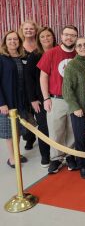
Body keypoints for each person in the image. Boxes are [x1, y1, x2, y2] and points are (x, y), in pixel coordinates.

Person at [38, 25, 78, 174]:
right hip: (56, 99)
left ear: (76, 37)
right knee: (56, 130)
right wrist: (46, 98)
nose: (69, 38)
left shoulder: (78, 53)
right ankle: (56, 158)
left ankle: (70, 156)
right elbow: (43, 76)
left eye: (73, 35)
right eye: (66, 34)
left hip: (74, 100)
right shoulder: (51, 53)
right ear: (61, 36)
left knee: (73, 130)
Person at [63, 37, 85, 179]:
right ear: (76, 48)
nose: (83, 47)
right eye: (79, 45)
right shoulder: (72, 66)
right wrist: (75, 107)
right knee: (81, 139)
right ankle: (83, 165)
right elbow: (67, 90)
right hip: (79, 110)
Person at [24, 27, 57, 168]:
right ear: (39, 39)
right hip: (40, 99)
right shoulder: (34, 56)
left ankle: (60, 155)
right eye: (42, 37)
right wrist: (33, 99)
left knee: (58, 128)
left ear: (53, 37)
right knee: (44, 127)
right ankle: (45, 156)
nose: (45, 39)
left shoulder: (59, 52)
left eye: (48, 36)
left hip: (58, 97)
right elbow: (28, 79)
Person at [0, 31, 28, 168]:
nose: (13, 41)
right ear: (5, 42)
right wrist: (1, 103)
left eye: (15, 39)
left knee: (18, 129)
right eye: (9, 39)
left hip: (21, 100)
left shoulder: (22, 56)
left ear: (19, 41)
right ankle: (12, 158)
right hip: (8, 101)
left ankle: (17, 153)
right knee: (10, 132)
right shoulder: (1, 58)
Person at [19, 20, 39, 150]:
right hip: (21, 85)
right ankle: (29, 138)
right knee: (25, 113)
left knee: (39, 111)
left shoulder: (39, 45)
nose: (29, 31)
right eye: (26, 29)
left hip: (36, 82)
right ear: (22, 30)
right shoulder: (19, 46)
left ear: (35, 30)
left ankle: (45, 137)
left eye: (31, 29)